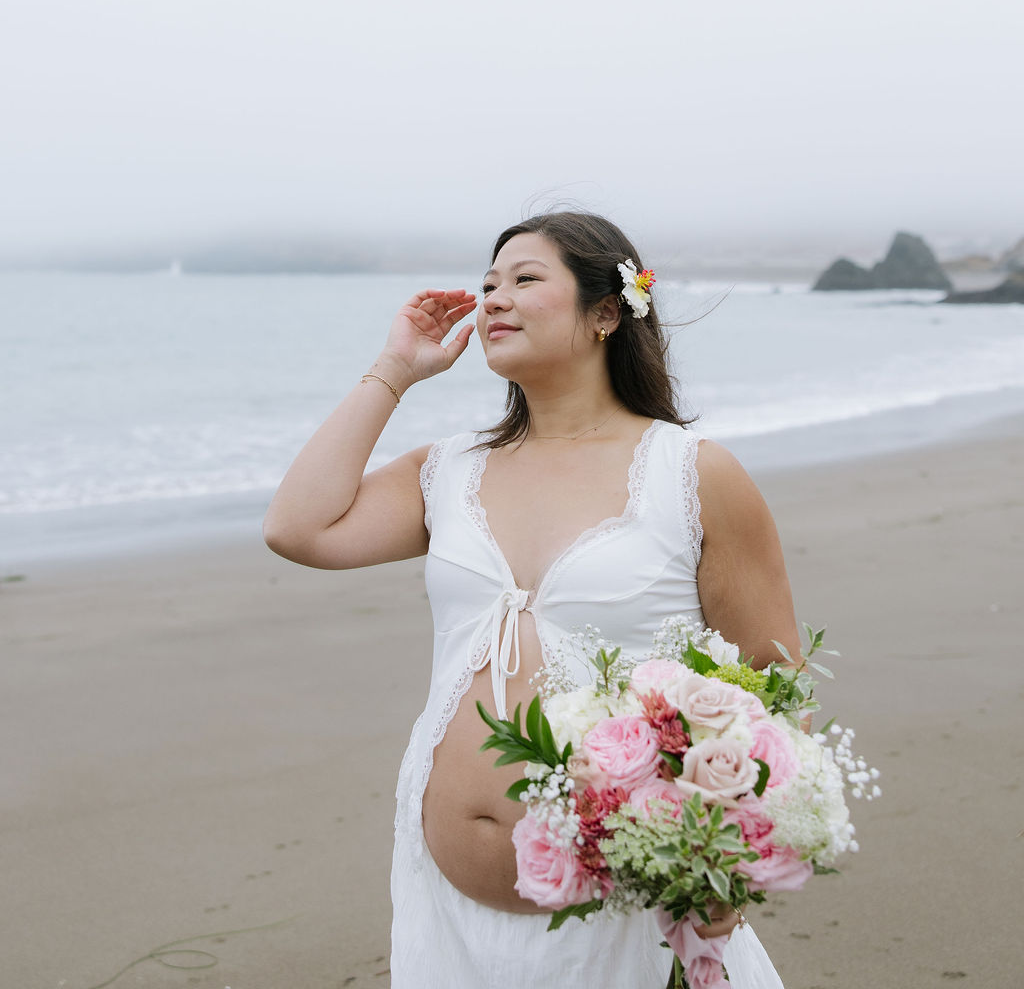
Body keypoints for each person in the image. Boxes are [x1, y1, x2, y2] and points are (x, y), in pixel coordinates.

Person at [263, 212, 799, 988]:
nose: (493, 301)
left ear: (606, 312)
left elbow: (773, 682)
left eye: (523, 280)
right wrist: (393, 369)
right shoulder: (448, 471)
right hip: (445, 914)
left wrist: (730, 862)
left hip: (631, 909)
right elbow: (298, 528)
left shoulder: (692, 474)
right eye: (487, 285)